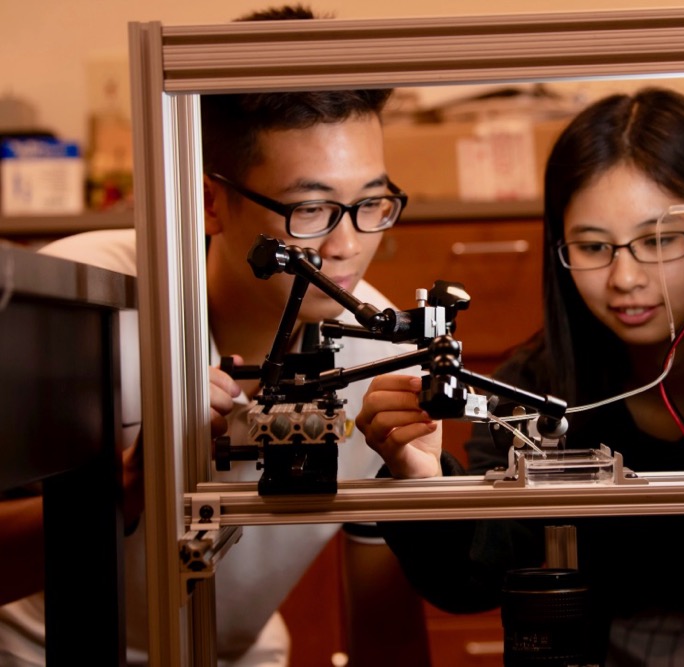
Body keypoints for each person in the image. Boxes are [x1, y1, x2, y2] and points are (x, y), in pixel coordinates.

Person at [0, 5, 436, 665]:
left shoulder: (384, 353)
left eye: (372, 203)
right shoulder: (79, 299)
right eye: (310, 209)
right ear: (210, 201)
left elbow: (382, 617)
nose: (348, 245)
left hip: (234, 653)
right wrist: (127, 484)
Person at [356, 87, 684, 666]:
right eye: (592, 246)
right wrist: (422, 477)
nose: (625, 277)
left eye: (659, 239)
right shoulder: (531, 388)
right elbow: (474, 580)